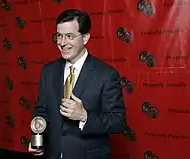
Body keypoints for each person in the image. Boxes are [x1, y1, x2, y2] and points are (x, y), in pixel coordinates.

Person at [28, 9, 127, 159]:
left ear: (85, 38)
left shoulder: (106, 75)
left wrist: (84, 116)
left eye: (69, 36)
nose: (62, 43)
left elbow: (117, 121)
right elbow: (41, 110)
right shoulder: (48, 71)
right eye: (59, 36)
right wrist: (37, 138)